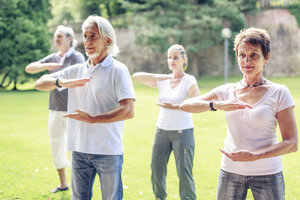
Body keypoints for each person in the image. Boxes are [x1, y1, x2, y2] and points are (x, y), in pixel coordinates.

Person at [160, 28, 298, 200]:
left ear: (266, 57)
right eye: (242, 55)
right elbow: (186, 105)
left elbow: (292, 143)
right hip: (231, 172)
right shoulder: (226, 90)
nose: (247, 61)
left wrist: (254, 156)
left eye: (254, 55)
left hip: (267, 173)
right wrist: (216, 105)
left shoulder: (279, 92)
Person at [33, 15, 135, 200]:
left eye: (93, 36)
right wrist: (60, 81)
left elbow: (128, 110)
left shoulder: (118, 70)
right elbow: (39, 83)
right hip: (79, 150)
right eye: (85, 36)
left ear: (107, 40)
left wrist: (94, 119)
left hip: (108, 152)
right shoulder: (76, 70)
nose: (87, 41)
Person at [132, 44, 200, 200]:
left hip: (183, 132)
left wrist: (176, 107)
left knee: (184, 172)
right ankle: (159, 197)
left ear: (184, 59)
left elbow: (197, 104)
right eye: (169, 57)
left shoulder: (189, 80)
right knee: (156, 169)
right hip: (161, 131)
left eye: (175, 57)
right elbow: (135, 76)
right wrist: (158, 77)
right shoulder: (162, 80)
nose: (172, 60)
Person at [25, 25, 85, 193]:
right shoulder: (53, 57)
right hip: (54, 108)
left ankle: (78, 186)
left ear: (69, 39)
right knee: (56, 145)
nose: (56, 39)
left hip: (72, 110)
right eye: (55, 36)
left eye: (60, 36)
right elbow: (29, 68)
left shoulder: (77, 57)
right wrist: (48, 65)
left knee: (75, 147)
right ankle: (63, 183)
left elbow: (80, 78)